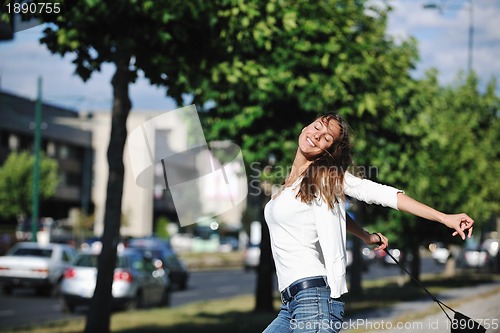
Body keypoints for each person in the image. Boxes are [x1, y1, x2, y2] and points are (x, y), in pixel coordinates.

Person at [262, 112, 474, 333]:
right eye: (317, 128)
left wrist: (444, 217)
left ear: (328, 150)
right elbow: (331, 215)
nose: (317, 136)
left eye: (326, 138)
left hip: (313, 301)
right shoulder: (286, 187)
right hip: (289, 305)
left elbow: (379, 193)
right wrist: (365, 235)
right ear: (305, 127)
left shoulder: (326, 176)